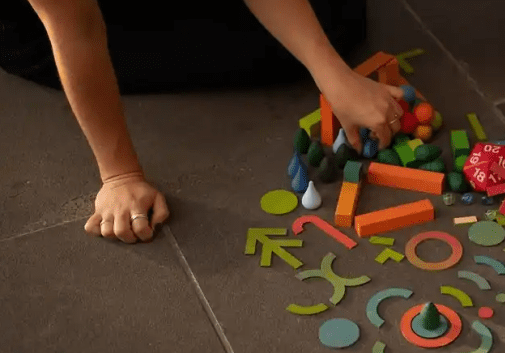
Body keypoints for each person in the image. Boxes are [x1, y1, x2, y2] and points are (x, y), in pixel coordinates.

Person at [1, 0, 404, 244]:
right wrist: (120, 175)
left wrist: (331, 72)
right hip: (48, 26)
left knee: (338, 15)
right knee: (274, 52)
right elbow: (77, 30)